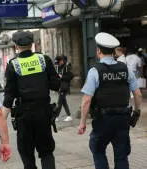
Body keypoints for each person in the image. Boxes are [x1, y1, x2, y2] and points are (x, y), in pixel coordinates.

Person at [78, 32, 142, 169]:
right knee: (121, 155)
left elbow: (86, 100)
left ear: (98, 51)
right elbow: (138, 94)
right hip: (123, 118)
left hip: (103, 119)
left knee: (98, 149)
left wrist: (82, 122)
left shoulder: (95, 71)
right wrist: (136, 112)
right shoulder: (126, 69)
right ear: (114, 52)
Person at [2, 30, 60, 169]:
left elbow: (8, 97)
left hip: (24, 116)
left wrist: (1, 122)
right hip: (43, 113)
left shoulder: (13, 65)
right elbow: (55, 85)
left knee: (27, 153)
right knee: (46, 152)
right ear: (32, 44)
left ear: (16, 46)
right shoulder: (44, 60)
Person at [55, 55, 74, 122]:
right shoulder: (58, 67)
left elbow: (71, 76)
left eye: (59, 62)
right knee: (63, 102)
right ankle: (69, 116)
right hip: (60, 86)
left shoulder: (67, 67)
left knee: (59, 102)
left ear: (62, 61)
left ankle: (56, 116)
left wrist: (62, 76)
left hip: (64, 87)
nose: (58, 64)